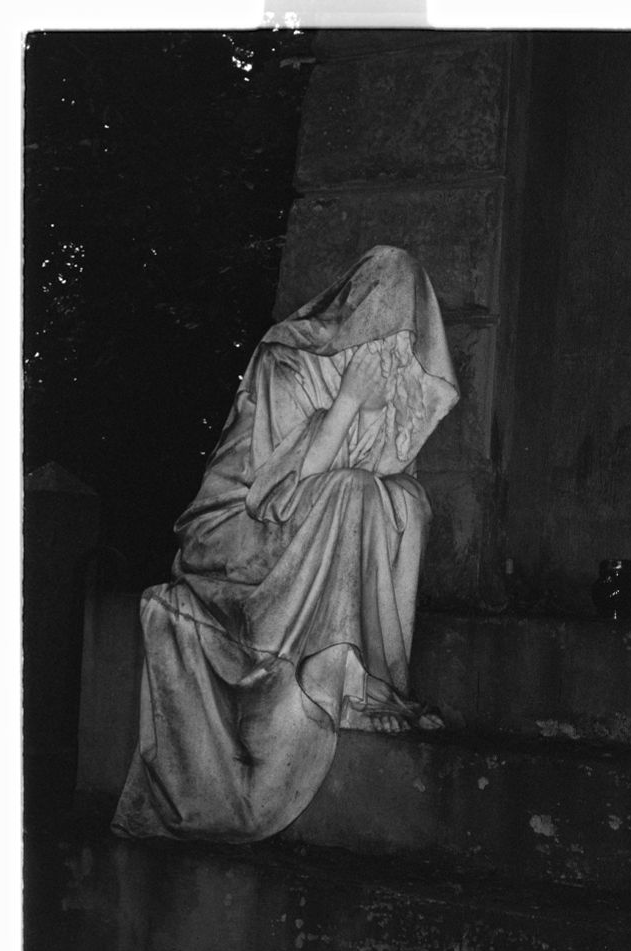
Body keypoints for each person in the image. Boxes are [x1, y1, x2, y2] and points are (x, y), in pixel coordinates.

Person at [112, 245, 459, 843]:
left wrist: (389, 415)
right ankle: (337, 679)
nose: (399, 339)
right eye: (390, 319)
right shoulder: (288, 360)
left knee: (406, 501)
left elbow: (383, 488)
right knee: (352, 492)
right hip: (233, 530)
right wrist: (349, 400)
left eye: (411, 328)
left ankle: (369, 677)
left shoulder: (393, 381)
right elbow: (271, 497)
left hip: (311, 528)